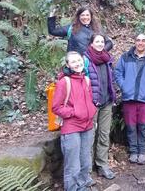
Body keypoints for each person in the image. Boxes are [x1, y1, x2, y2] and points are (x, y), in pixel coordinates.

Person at [114, 34, 145, 165]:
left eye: (143, 40)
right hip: (129, 99)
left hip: (144, 99)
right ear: (134, 42)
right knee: (130, 127)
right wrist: (124, 86)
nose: (140, 43)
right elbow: (117, 72)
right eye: (138, 40)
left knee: (143, 127)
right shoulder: (125, 57)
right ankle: (133, 152)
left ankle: (142, 152)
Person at [52, 51, 96, 191]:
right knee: (72, 164)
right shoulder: (64, 82)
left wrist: (91, 110)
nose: (77, 64)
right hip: (71, 126)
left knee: (85, 160)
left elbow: (89, 100)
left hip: (87, 125)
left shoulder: (86, 79)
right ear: (68, 65)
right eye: (73, 62)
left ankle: (82, 185)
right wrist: (74, 112)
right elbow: (56, 107)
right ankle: (72, 188)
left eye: (79, 60)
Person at [84, 34, 116, 180]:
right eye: (97, 41)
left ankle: (102, 164)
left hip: (107, 102)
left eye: (102, 41)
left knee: (104, 134)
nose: (100, 43)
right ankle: (87, 169)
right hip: (92, 104)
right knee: (90, 136)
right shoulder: (85, 60)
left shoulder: (107, 58)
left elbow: (111, 79)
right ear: (91, 43)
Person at [47, 6, 113, 54]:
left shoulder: (97, 28)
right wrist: (51, 15)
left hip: (95, 63)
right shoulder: (71, 28)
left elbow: (109, 43)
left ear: (91, 16)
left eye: (87, 15)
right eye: (83, 15)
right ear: (79, 17)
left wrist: (99, 52)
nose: (85, 17)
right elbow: (53, 31)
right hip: (77, 62)